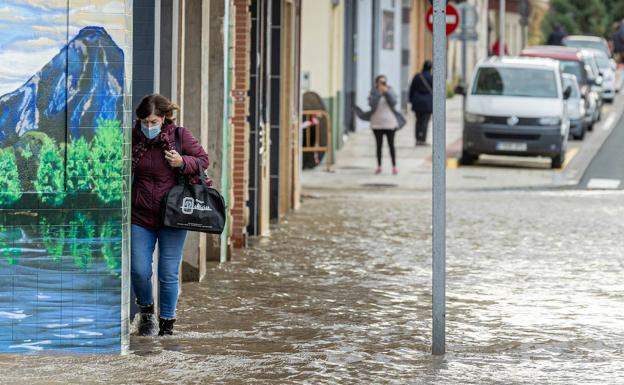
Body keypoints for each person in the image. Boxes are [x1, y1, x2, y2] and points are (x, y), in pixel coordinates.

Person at [131, 94, 210, 337]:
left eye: (153, 122)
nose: (148, 127)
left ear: (164, 118)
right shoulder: (132, 138)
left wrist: (182, 162)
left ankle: (167, 326)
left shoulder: (179, 136)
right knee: (139, 270)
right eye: (144, 122)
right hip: (140, 216)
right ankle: (146, 312)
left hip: (172, 216)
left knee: (168, 273)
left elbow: (203, 160)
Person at [354, 75, 406, 175]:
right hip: (376, 124)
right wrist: (379, 93)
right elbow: (372, 104)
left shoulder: (390, 90)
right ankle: (379, 166)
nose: (382, 84)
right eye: (380, 82)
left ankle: (394, 166)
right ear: (376, 83)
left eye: (384, 82)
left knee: (391, 145)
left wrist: (386, 92)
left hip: (390, 123)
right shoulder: (373, 92)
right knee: (379, 145)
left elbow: (394, 102)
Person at [409, 60, 434, 146]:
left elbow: (411, 89)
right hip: (427, 103)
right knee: (425, 122)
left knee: (418, 121)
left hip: (417, 103)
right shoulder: (431, 78)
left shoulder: (417, 76)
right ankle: (423, 140)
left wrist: (411, 101)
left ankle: (417, 139)